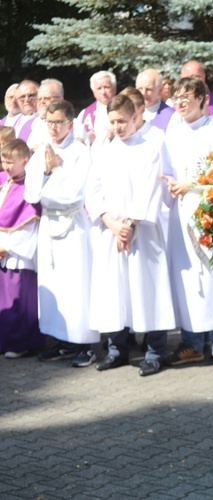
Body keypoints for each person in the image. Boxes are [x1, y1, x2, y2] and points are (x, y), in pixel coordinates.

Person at [86, 95, 175, 376]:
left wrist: (131, 224)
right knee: (114, 292)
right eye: (112, 122)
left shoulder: (153, 143)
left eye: (122, 121)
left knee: (148, 290)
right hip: (110, 231)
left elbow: (152, 186)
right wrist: (112, 224)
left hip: (143, 232)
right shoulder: (104, 146)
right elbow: (93, 188)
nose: (117, 127)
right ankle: (117, 350)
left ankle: (154, 351)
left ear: (135, 117)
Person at [162, 77, 213, 371]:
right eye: (175, 97)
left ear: (202, 98)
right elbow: (166, 170)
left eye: (185, 96)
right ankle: (192, 342)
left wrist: (192, 184)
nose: (179, 102)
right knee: (189, 281)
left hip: (210, 211)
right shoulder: (172, 131)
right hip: (180, 215)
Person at [25, 100, 99, 366]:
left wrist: (56, 170)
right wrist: (46, 173)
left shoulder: (80, 151)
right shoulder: (40, 152)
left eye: (58, 122)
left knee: (76, 285)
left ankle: (85, 344)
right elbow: (31, 192)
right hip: (49, 225)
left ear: (70, 123)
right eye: (49, 122)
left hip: (74, 226)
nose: (54, 128)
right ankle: (61, 340)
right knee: (54, 283)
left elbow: (75, 194)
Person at [0, 138, 44, 358]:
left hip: (17, 254)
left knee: (19, 300)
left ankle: (20, 344)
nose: (6, 166)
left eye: (10, 162)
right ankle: (5, 341)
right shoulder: (4, 182)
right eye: (4, 161)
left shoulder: (29, 187)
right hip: (2, 252)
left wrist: (6, 247)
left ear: (25, 161)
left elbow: (29, 225)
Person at [177, 60, 213, 132]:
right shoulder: (172, 103)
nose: (194, 81)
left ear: (204, 77)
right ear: (182, 78)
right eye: (189, 78)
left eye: (197, 77)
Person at [76, 71, 117, 147]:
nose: (103, 92)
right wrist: (85, 138)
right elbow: (76, 140)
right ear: (94, 92)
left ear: (115, 89)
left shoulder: (126, 109)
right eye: (99, 88)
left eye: (106, 87)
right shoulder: (85, 114)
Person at [26, 78, 65, 151]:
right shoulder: (28, 126)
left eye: (46, 98)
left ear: (60, 99)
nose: (42, 102)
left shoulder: (72, 126)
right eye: (39, 99)